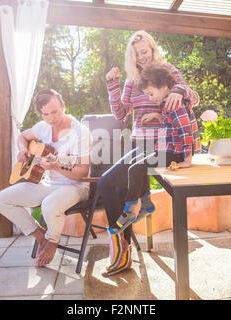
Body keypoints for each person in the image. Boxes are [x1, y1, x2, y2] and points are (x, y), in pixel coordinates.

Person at [99, 30, 200, 277]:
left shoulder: (169, 71)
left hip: (164, 146)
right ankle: (121, 246)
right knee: (107, 182)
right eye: (136, 55)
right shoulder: (131, 80)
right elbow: (120, 115)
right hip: (138, 144)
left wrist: (180, 92)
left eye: (145, 51)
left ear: (153, 49)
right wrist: (112, 85)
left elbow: (192, 97)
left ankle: (123, 250)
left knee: (124, 188)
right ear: (130, 58)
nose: (142, 58)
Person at [0, 89, 92, 267]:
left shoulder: (80, 132)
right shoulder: (42, 127)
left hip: (76, 187)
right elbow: (23, 136)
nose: (51, 118)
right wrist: (23, 150)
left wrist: (55, 166)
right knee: (1, 200)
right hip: (47, 185)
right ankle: (40, 236)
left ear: (63, 106)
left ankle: (52, 241)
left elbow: (83, 172)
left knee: (49, 205)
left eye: (55, 112)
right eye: (45, 114)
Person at [112, 64, 202, 234]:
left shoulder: (176, 103)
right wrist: (156, 116)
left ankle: (130, 209)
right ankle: (146, 204)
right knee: (136, 165)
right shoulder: (167, 103)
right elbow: (173, 123)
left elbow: (186, 131)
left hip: (174, 153)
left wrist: (187, 160)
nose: (150, 98)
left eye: (151, 94)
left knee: (136, 169)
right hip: (168, 150)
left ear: (162, 86)